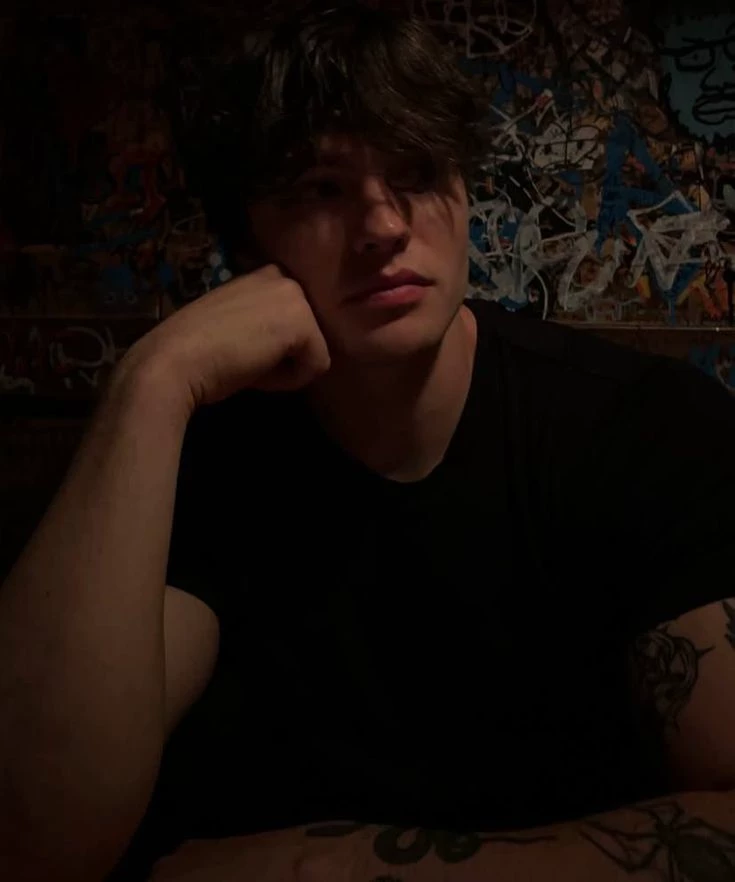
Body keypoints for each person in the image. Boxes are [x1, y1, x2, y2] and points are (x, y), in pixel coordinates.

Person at [2, 2, 735, 881]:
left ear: (463, 192)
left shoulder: (643, 429)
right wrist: (153, 380)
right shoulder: (205, 459)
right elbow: (35, 841)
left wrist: (357, 870)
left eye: (417, 172)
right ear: (249, 241)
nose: (384, 226)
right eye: (320, 188)